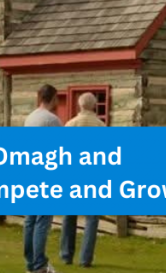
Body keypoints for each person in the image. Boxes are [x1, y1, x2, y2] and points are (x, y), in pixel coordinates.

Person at [61, 93, 103, 267]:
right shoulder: (100, 126)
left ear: (80, 105)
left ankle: (66, 255)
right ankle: (85, 258)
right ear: (94, 106)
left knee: (69, 216)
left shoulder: (70, 125)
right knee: (92, 219)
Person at [23, 85, 62, 273]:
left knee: (30, 219)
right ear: (53, 98)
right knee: (42, 220)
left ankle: (31, 262)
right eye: (57, 98)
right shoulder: (52, 120)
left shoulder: (30, 118)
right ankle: (39, 265)